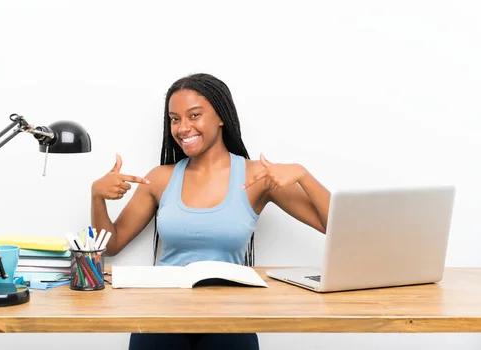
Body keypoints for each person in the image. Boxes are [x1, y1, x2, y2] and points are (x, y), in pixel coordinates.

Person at [91, 73, 331, 350]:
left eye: (194, 115)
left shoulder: (257, 176)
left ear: (221, 117)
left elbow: (332, 226)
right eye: (175, 118)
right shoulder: (159, 178)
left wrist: (303, 174)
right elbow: (110, 245)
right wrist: (98, 197)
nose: (182, 128)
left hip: (230, 316)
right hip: (161, 313)